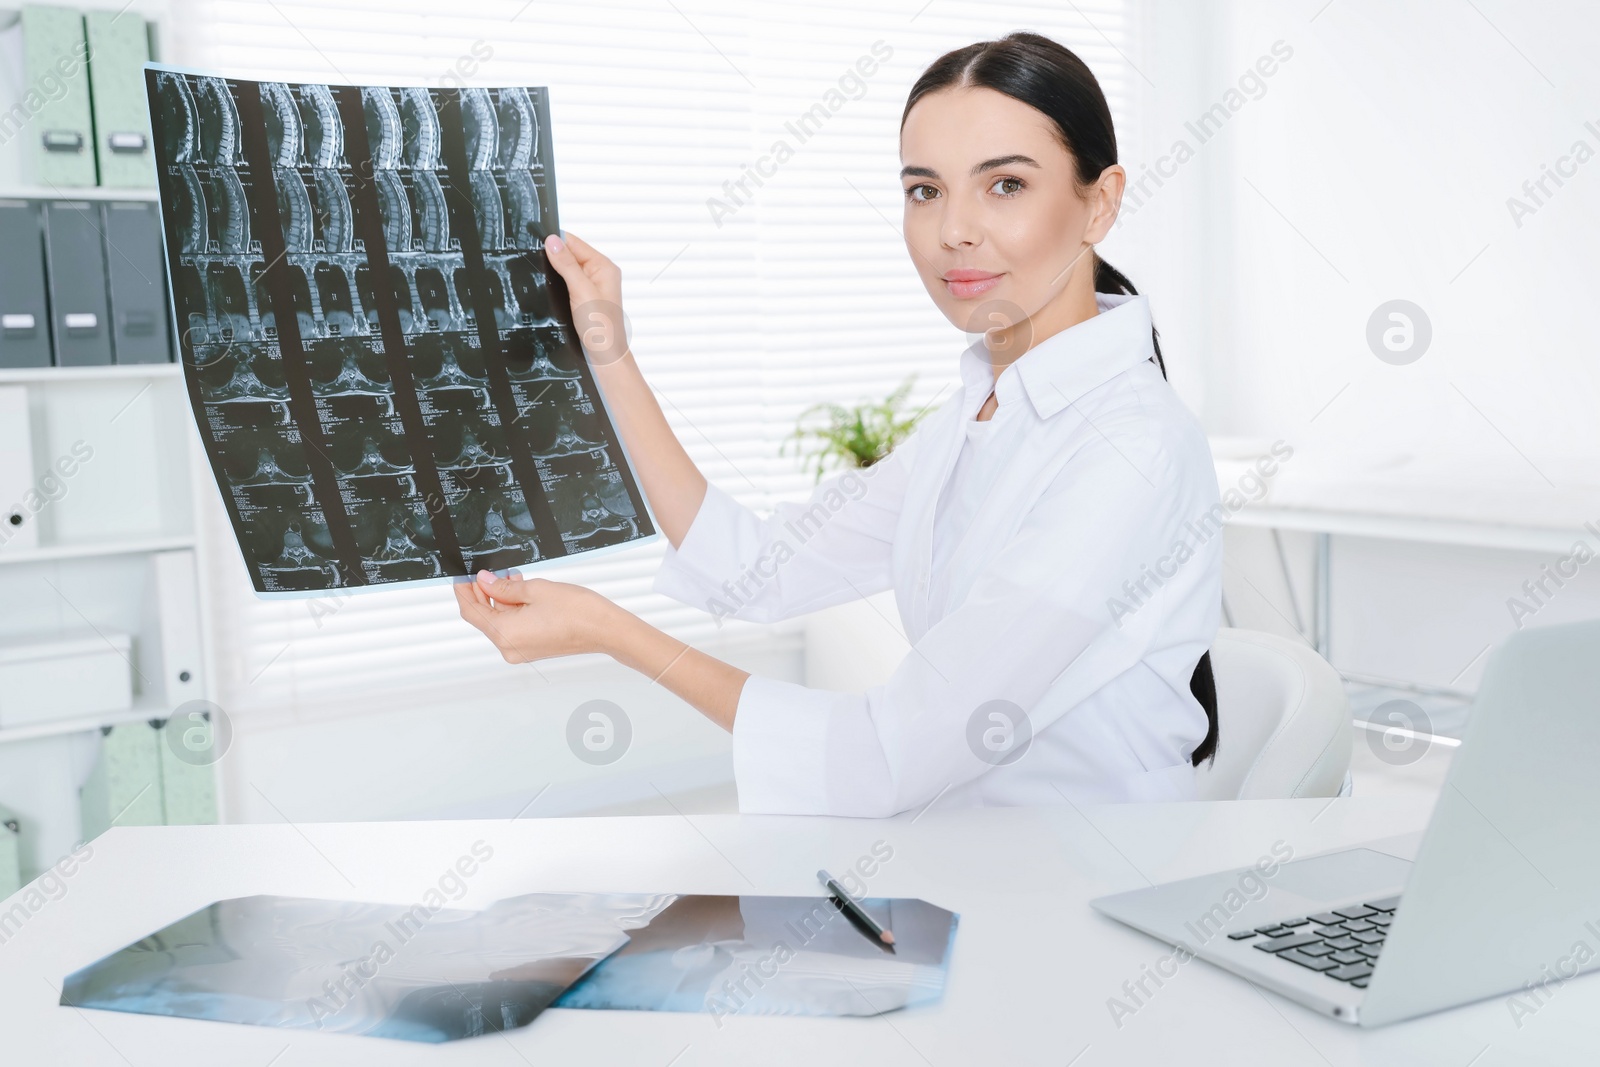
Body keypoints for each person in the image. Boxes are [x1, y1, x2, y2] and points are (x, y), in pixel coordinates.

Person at [454, 31, 1223, 816]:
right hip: (974, 868)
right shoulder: (976, 415)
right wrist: (608, 348)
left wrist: (610, 631)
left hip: (1081, 897)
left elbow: (887, 753)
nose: (954, 229)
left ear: (1101, 201)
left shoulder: (1131, 452)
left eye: (1005, 186)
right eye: (925, 190)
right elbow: (753, 565)